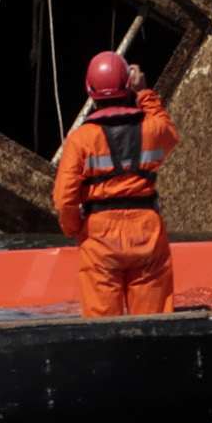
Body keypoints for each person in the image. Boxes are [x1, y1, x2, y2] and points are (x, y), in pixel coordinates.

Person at [53, 51, 177, 318]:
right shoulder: (151, 129)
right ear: (128, 85)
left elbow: (64, 199)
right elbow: (170, 134)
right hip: (147, 231)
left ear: (90, 90)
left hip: (99, 237)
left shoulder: (81, 139)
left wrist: (76, 229)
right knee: (153, 325)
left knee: (102, 329)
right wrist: (144, 92)